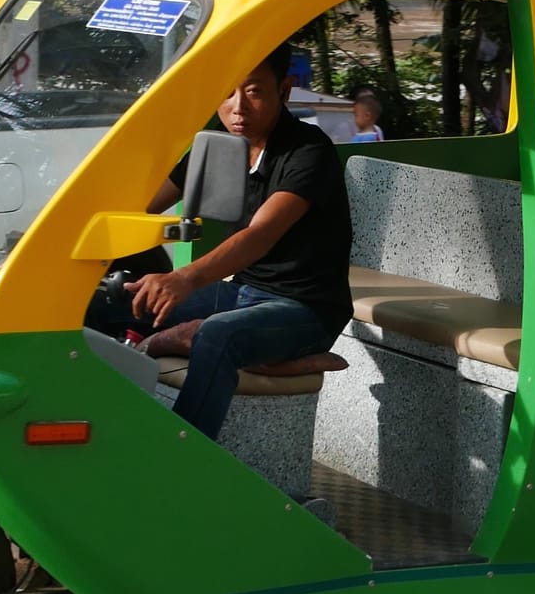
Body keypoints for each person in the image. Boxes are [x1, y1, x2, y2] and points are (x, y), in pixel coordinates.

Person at [86, 53, 353, 441]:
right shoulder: (218, 147)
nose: (237, 107)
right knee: (98, 307)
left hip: (304, 308)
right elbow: (141, 207)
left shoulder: (309, 151)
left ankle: (183, 457)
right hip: (239, 293)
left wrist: (184, 278)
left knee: (218, 335)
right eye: (226, 93)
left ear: (284, 89)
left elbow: (260, 235)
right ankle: (99, 429)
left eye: (254, 92)